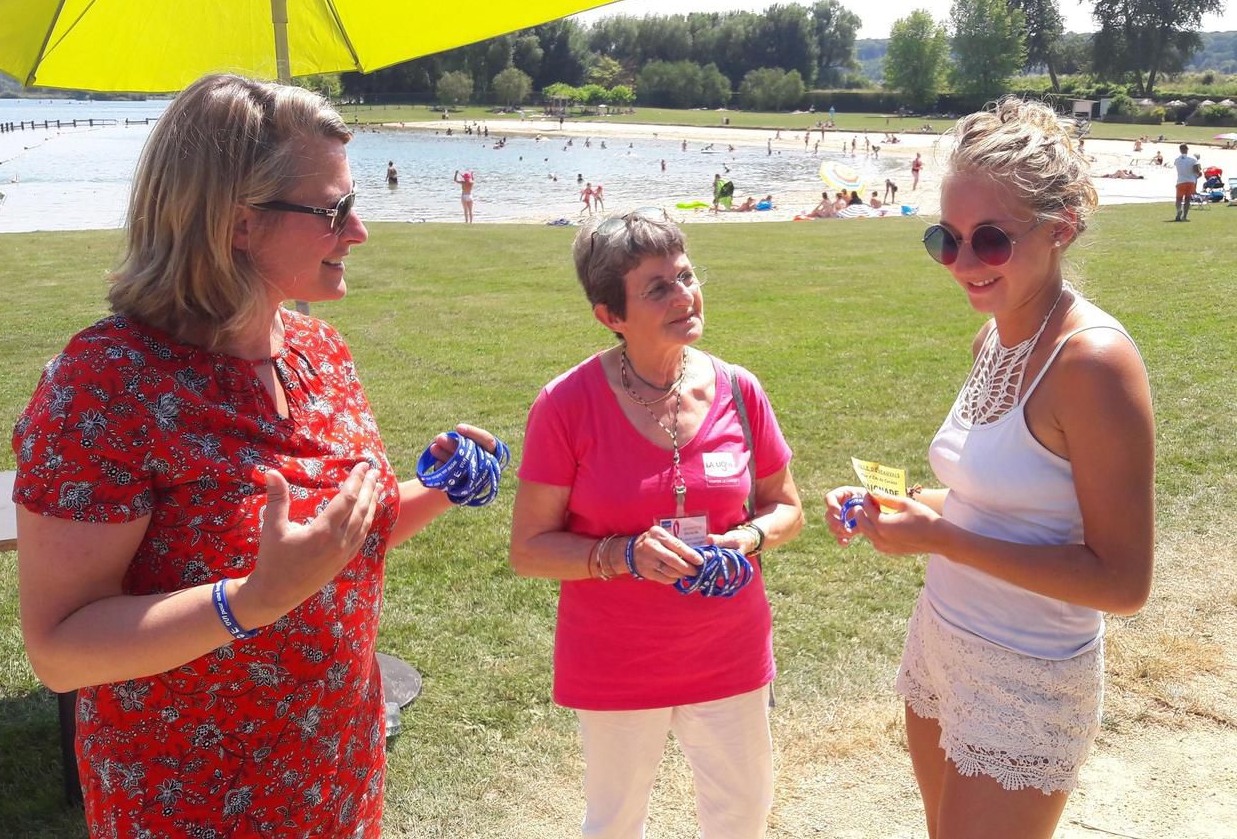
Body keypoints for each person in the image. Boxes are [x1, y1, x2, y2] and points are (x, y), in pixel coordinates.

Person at [12, 73, 506, 839]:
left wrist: (438, 489)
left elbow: (331, 546)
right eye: (336, 209)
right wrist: (249, 602)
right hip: (190, 799)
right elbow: (60, 649)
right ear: (238, 223)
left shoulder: (319, 352)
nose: (360, 231)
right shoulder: (105, 384)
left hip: (337, 768)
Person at [824, 96, 1154, 839]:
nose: (964, 264)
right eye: (946, 239)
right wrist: (895, 499)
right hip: (943, 639)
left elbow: (1122, 582)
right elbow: (992, 496)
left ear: (1060, 227)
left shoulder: (1093, 362)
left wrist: (939, 538)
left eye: (991, 241)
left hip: (1029, 674)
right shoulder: (992, 341)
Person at [511, 208, 805, 839]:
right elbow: (530, 549)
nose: (685, 296)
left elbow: (785, 506)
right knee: (615, 822)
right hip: (618, 657)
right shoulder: (566, 404)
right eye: (658, 288)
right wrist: (622, 555)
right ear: (610, 316)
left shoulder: (739, 389)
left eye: (686, 275)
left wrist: (749, 538)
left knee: (741, 815)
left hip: (729, 650)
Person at [1173, 143, 1202, 222]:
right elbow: (1196, 171)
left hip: (1180, 181)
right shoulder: (1193, 159)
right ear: (1187, 149)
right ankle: (1184, 216)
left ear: (1180, 150)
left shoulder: (1177, 160)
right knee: (1187, 199)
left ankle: (1179, 210)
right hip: (1190, 181)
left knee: (1178, 199)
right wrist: (1198, 173)